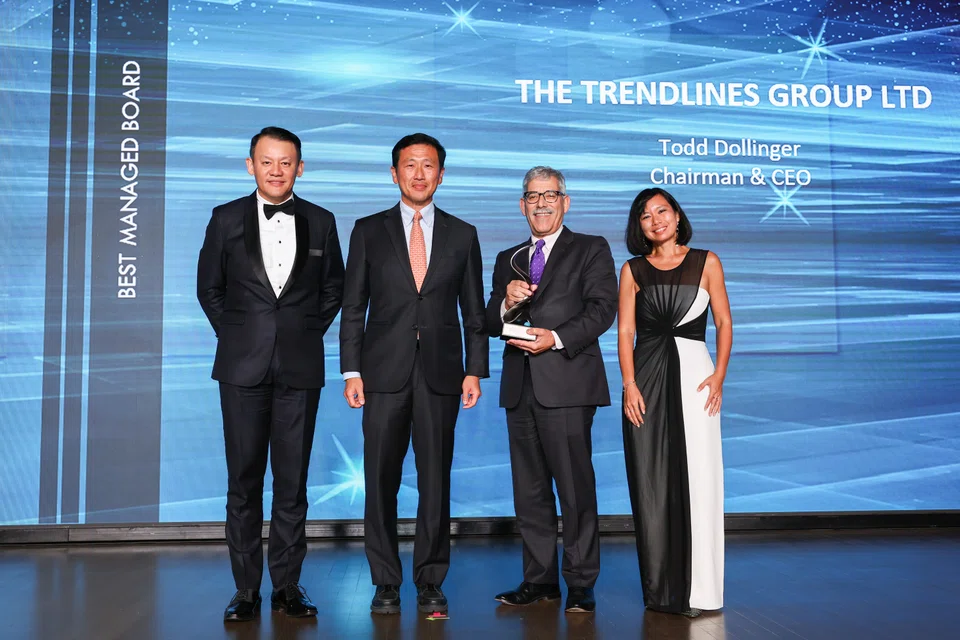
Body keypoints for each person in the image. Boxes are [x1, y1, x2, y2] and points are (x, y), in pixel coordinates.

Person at [197, 126, 345, 621]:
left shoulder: (322, 221)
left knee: (292, 482)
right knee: (243, 481)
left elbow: (334, 289)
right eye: (267, 161)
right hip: (241, 368)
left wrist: (301, 332)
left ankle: (287, 586)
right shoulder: (224, 218)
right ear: (250, 165)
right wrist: (242, 336)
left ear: (300, 167)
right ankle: (245, 590)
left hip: (300, 368)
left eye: (286, 162)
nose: (276, 170)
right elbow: (209, 289)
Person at [339, 133, 488, 615]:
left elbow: (473, 311)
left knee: (435, 480)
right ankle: (385, 580)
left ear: (441, 175)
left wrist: (475, 370)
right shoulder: (368, 230)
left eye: (428, 165)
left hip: (442, 375)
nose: (419, 173)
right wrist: (351, 370)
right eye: (410, 165)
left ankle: (430, 580)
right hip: (381, 373)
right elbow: (353, 306)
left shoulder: (463, 233)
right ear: (394, 173)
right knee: (380, 478)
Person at [486, 166, 618, 614]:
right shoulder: (508, 257)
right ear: (521, 204)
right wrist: (506, 302)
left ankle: (580, 582)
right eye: (532, 196)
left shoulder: (590, 248)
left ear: (565, 201)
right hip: (519, 387)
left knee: (575, 489)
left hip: (568, 382)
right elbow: (491, 319)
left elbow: (603, 309)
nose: (541, 203)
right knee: (530, 491)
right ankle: (539, 579)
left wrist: (556, 338)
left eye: (550, 195)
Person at [617, 187, 732, 617]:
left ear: (678, 216)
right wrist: (629, 384)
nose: (656, 220)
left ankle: (700, 591)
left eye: (662, 211)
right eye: (646, 216)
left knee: (700, 476)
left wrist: (719, 375)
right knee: (651, 478)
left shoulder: (707, 261)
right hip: (645, 379)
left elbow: (723, 322)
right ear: (639, 227)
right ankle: (662, 591)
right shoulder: (632, 270)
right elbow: (625, 331)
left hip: (698, 378)